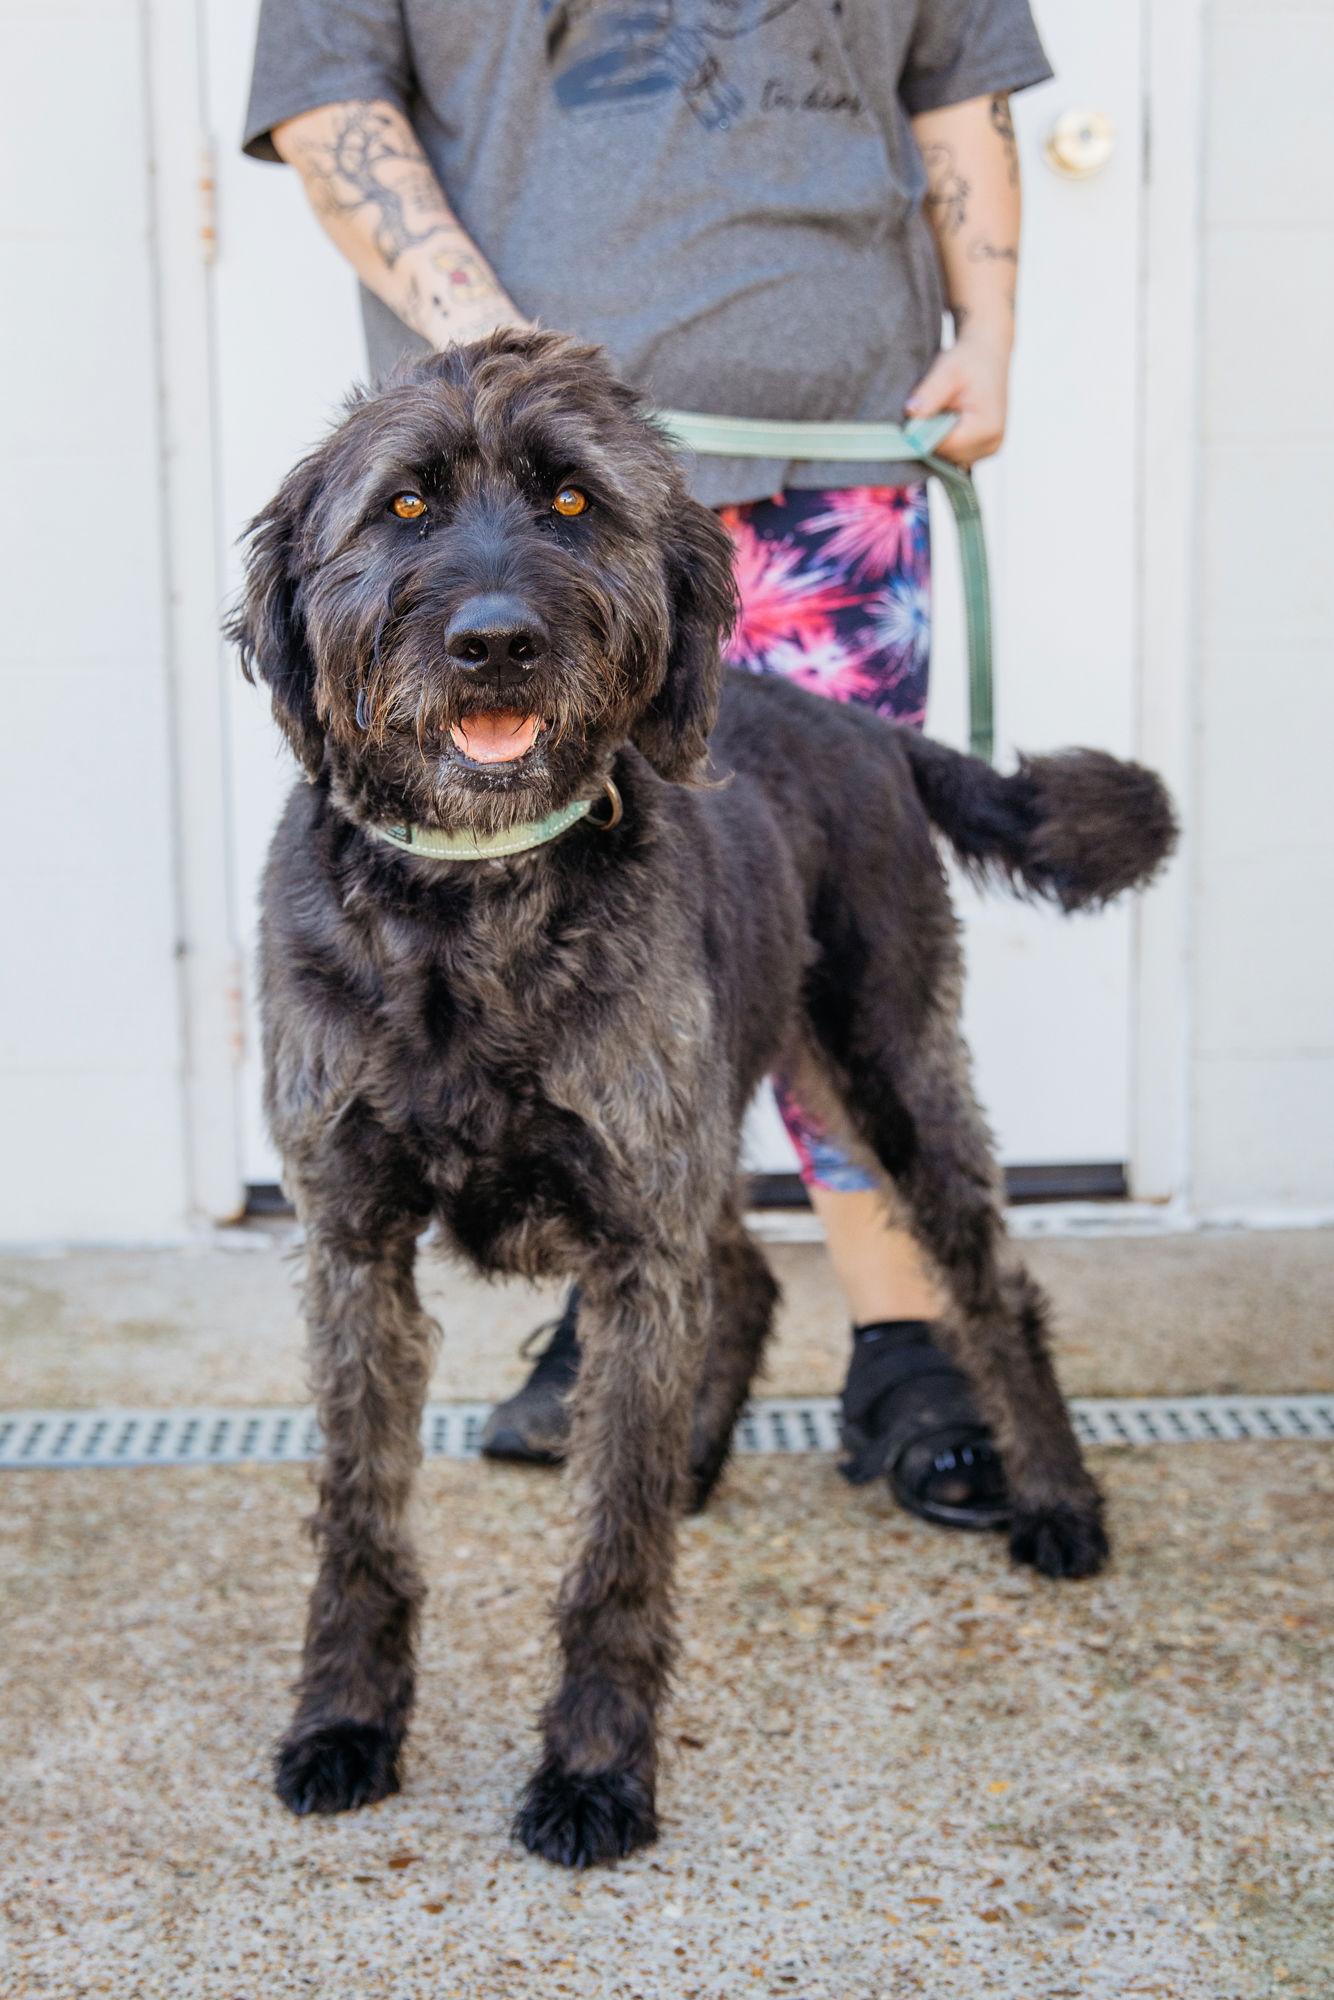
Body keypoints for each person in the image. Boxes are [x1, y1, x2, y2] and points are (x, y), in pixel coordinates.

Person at [244, 0, 1052, 1531]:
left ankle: (903, 1345)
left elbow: (959, 74)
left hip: (831, 476)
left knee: (826, 956)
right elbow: (325, 95)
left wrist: (992, 325)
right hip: (519, 495)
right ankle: (614, 1319)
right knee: (536, 962)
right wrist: (499, 352)